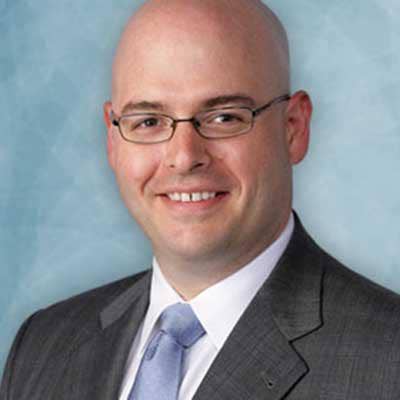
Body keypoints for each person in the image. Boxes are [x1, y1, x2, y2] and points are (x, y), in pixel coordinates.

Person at [1, 0, 400, 399]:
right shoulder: (43, 346)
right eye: (149, 121)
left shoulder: (388, 361)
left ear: (293, 129)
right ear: (113, 139)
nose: (184, 156)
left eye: (224, 117)